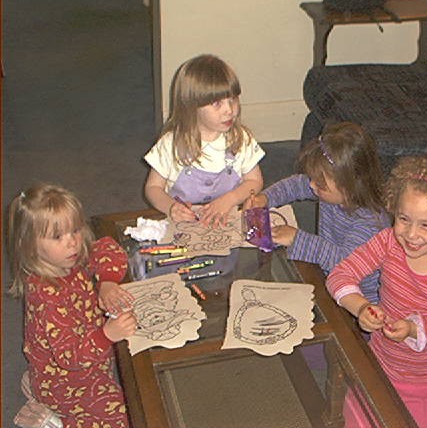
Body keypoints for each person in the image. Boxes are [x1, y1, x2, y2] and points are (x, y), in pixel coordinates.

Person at [326, 155, 427, 428]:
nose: (411, 234)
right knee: (355, 420)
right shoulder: (388, 241)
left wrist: (414, 330)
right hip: (380, 361)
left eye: (425, 225)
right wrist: (362, 307)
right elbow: (340, 275)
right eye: (403, 219)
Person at [7, 184, 137, 428]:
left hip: (90, 361)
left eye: (75, 231)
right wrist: (108, 334)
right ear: (31, 245)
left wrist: (107, 282)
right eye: (58, 237)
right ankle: (56, 420)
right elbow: (70, 357)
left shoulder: (70, 258)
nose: (73, 244)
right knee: (125, 415)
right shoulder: (46, 298)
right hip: (68, 381)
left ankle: (38, 382)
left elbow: (108, 247)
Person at [248, 122, 389, 303]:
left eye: (320, 184)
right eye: (313, 179)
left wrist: (297, 239)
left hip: (356, 300)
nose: (312, 186)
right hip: (326, 277)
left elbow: (345, 264)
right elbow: (297, 184)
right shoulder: (334, 192)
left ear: (349, 185)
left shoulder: (370, 224)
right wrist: (265, 198)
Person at [144, 54, 264, 228]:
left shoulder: (240, 139)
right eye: (217, 104)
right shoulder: (171, 144)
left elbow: (255, 181)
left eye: (233, 100)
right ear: (192, 107)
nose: (229, 110)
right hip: (183, 224)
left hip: (227, 222)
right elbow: (153, 188)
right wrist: (171, 208)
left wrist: (230, 199)